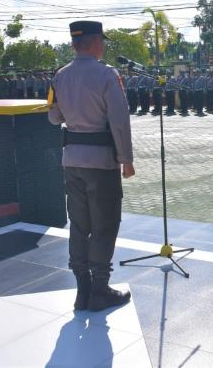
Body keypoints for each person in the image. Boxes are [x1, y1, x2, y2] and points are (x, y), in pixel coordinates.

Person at [47, 20, 134, 312]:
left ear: (74, 44)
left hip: (71, 160)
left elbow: (53, 118)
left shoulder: (59, 76)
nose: (104, 46)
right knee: (105, 224)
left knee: (80, 224)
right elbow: (119, 121)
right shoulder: (108, 74)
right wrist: (127, 159)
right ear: (96, 42)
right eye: (103, 41)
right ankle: (99, 290)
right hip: (101, 163)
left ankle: (82, 291)